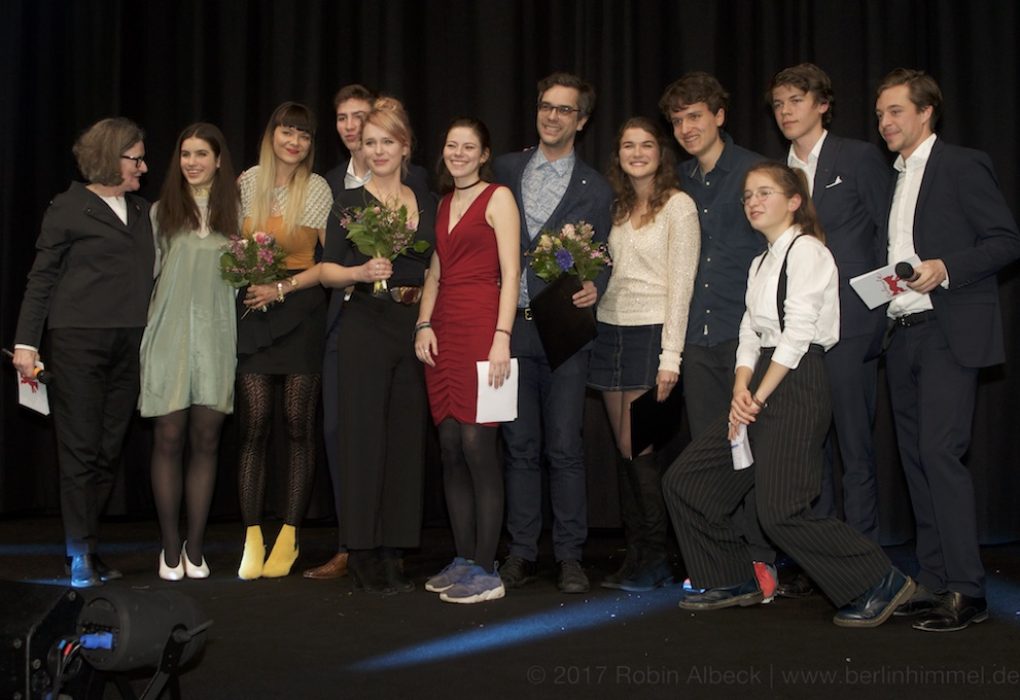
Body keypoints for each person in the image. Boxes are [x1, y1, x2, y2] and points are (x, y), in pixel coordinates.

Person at [662, 161, 915, 628]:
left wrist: (757, 393)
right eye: (747, 196)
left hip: (797, 383)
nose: (753, 202)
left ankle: (881, 580)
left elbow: (798, 334)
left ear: (794, 201)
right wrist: (741, 387)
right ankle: (733, 578)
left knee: (781, 512)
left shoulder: (809, 253)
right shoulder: (761, 261)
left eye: (764, 193)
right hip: (761, 380)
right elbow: (747, 330)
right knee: (687, 482)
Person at [874, 69, 1020, 631]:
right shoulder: (894, 178)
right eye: (881, 113)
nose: (886, 122)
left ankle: (968, 589)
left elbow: (1006, 240)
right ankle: (936, 582)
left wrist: (948, 268)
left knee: (939, 454)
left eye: (895, 111)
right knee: (915, 460)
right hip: (901, 333)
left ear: (925, 112)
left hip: (947, 330)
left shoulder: (961, 164)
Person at [767, 63, 892, 598]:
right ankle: (821, 560)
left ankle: (863, 565)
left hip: (852, 327)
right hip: (800, 333)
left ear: (823, 104)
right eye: (778, 104)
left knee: (855, 450)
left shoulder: (858, 157)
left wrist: (881, 310)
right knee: (806, 450)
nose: (787, 111)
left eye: (796, 100)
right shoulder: (779, 174)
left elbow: (893, 233)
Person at [12, 117, 154, 588]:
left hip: (130, 343)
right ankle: (78, 553)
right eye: (135, 158)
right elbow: (42, 278)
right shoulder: (68, 208)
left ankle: (89, 546)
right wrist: (25, 344)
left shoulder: (141, 212)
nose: (143, 166)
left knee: (107, 449)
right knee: (79, 449)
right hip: (78, 342)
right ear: (111, 157)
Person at [493, 72, 613, 594]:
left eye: (565, 110)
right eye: (546, 106)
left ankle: (569, 556)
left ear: (581, 121)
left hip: (565, 334)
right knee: (518, 447)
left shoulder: (596, 187)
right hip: (512, 331)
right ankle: (521, 552)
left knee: (564, 448)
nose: (553, 116)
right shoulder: (505, 169)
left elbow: (604, 255)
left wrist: (597, 286)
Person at [305, 84, 430, 581]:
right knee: (360, 437)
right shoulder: (346, 203)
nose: (378, 150)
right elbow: (326, 269)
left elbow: (436, 268)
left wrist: (426, 321)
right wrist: (358, 273)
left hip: (410, 327)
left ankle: (396, 547)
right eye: (371, 142)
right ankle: (361, 549)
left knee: (404, 438)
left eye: (387, 142)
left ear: (405, 147)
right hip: (361, 322)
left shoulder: (428, 200)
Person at [658, 72, 776, 598]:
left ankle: (760, 561)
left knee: (753, 451)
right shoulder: (675, 180)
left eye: (695, 116)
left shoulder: (755, 171)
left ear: (719, 116)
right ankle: (722, 564)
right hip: (697, 339)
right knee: (715, 455)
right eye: (678, 120)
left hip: (746, 335)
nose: (686, 127)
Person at [589, 117, 699, 592]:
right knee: (623, 450)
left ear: (661, 152)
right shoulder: (614, 208)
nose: (637, 152)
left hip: (653, 331)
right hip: (609, 330)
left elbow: (682, 286)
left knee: (642, 448)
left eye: (646, 145)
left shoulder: (679, 206)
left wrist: (670, 355)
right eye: (628, 145)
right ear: (619, 154)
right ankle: (637, 555)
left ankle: (658, 559)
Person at [414, 117, 520, 604]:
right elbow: (435, 272)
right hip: (446, 331)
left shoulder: (497, 197)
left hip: (484, 326)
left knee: (480, 446)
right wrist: (422, 323)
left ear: (483, 154)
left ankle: (487, 568)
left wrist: (502, 336)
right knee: (451, 444)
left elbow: (512, 271)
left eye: (468, 147)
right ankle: (463, 558)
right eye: (451, 145)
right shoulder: (441, 203)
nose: (457, 153)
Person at [235, 102, 333, 580]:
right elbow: (231, 247)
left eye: (304, 135)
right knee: (253, 423)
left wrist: (282, 287)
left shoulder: (315, 188)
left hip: (301, 306)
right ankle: (252, 535)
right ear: (271, 133)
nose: (294, 141)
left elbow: (325, 262)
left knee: (298, 422)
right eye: (286, 131)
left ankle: (290, 535)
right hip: (254, 308)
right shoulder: (247, 182)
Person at [139, 123, 239, 580]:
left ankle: (196, 550)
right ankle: (169, 548)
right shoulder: (162, 212)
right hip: (169, 335)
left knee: (206, 440)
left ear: (219, 160)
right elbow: (150, 278)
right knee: (169, 438)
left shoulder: (237, 212)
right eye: (186, 154)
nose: (193, 162)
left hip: (217, 337)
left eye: (202, 154)